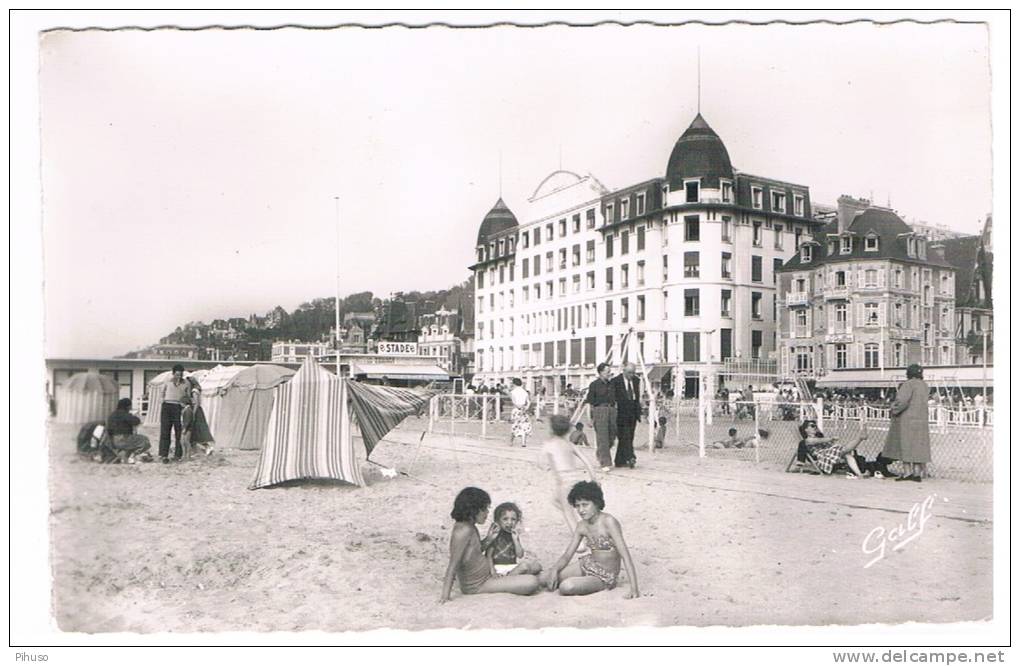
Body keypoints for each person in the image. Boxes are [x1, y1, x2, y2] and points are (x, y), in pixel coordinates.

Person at [439, 487, 541, 603]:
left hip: (488, 576)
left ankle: (545, 578)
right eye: (485, 509)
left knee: (535, 567)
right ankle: (513, 579)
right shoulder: (462, 531)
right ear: (473, 509)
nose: (487, 513)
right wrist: (445, 596)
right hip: (478, 585)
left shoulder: (471, 527)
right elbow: (453, 564)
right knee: (532, 582)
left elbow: (475, 551)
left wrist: (489, 539)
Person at [540, 481, 639, 598]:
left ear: (596, 503)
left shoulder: (609, 522)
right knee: (544, 578)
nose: (581, 510)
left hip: (605, 576)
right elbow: (567, 555)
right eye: (577, 506)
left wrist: (634, 589)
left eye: (585, 504)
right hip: (588, 564)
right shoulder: (581, 525)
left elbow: (625, 556)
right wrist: (555, 570)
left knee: (566, 586)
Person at [540, 415, 598, 531]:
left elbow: (540, 463)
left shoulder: (549, 444)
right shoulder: (569, 444)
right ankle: (586, 524)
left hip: (563, 481)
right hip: (576, 479)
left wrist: (548, 468)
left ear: (552, 429)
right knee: (556, 501)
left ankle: (580, 541)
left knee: (568, 512)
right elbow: (586, 461)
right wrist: (593, 478)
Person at [883, 364, 932, 482]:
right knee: (917, 446)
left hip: (907, 419)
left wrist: (893, 408)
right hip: (921, 419)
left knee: (905, 445)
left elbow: (902, 401)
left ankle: (907, 472)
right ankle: (916, 473)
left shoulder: (908, 384)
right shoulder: (924, 385)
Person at [481, 502, 542, 576]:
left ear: (517, 521)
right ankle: (508, 579)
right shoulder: (495, 535)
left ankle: (509, 577)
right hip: (497, 568)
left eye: (513, 519)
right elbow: (488, 556)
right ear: (498, 521)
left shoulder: (513, 535)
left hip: (511, 567)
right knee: (524, 567)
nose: (509, 522)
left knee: (537, 566)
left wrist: (516, 540)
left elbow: (520, 555)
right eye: (505, 519)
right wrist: (493, 572)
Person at [794, 420, 868, 478]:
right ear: (806, 429)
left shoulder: (819, 437)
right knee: (844, 450)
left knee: (847, 454)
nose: (815, 427)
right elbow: (818, 441)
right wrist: (831, 439)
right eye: (812, 426)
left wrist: (831, 443)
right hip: (821, 457)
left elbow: (825, 443)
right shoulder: (807, 440)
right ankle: (860, 438)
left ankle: (859, 475)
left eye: (816, 426)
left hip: (828, 453)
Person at [584, 363, 617, 472]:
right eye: (607, 371)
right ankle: (605, 462)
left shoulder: (612, 384)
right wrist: (589, 418)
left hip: (612, 410)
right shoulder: (594, 385)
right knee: (602, 437)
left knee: (612, 436)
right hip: (600, 410)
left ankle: (600, 453)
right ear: (601, 372)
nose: (609, 373)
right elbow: (589, 402)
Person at [610, 362, 642, 468]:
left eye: (633, 373)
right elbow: (612, 398)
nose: (631, 375)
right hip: (620, 413)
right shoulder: (615, 381)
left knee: (629, 436)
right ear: (623, 371)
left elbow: (637, 397)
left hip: (633, 413)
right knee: (625, 435)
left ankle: (619, 460)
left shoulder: (637, 381)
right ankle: (631, 456)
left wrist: (639, 411)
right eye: (629, 373)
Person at [159, 364, 190, 463]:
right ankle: (163, 455)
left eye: (180, 375)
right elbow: (162, 393)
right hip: (167, 406)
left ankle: (178, 455)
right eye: (177, 375)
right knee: (165, 431)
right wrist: (163, 401)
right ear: (173, 374)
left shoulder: (186, 383)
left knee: (178, 432)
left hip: (178, 407)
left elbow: (188, 396)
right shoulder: (167, 382)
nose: (178, 377)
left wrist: (183, 404)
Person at [106, 398, 152, 463]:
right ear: (127, 406)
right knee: (145, 440)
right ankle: (132, 456)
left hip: (113, 441)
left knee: (132, 442)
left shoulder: (112, 415)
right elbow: (136, 421)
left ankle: (123, 456)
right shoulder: (124, 414)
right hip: (124, 439)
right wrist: (133, 416)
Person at [181, 376, 215, 459]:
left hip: (196, 411)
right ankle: (195, 450)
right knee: (194, 432)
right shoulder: (192, 391)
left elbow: (196, 403)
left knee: (198, 431)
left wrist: (193, 413)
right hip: (194, 410)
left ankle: (207, 447)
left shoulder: (194, 391)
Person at [508, 378, 532, 447]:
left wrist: (518, 407)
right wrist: (525, 408)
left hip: (516, 410)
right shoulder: (525, 392)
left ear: (514, 384)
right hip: (523, 409)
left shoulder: (512, 392)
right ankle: (523, 442)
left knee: (515, 425)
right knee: (524, 425)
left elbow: (514, 401)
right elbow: (528, 402)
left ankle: (511, 441)